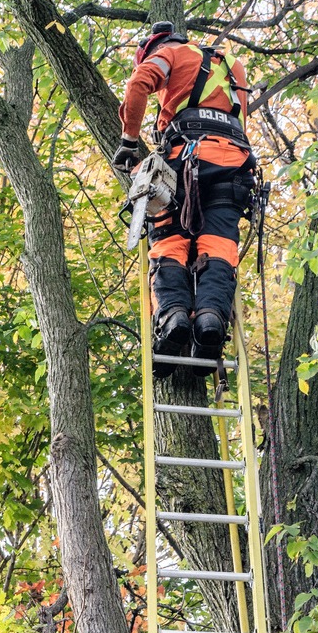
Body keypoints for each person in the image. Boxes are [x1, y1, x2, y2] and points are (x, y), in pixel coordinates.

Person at [113, 22, 256, 376]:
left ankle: (174, 315)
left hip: (186, 160)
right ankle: (209, 319)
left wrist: (130, 140)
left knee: (169, 240)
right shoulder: (231, 64)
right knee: (218, 245)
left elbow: (138, 84)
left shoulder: (170, 54)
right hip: (234, 163)